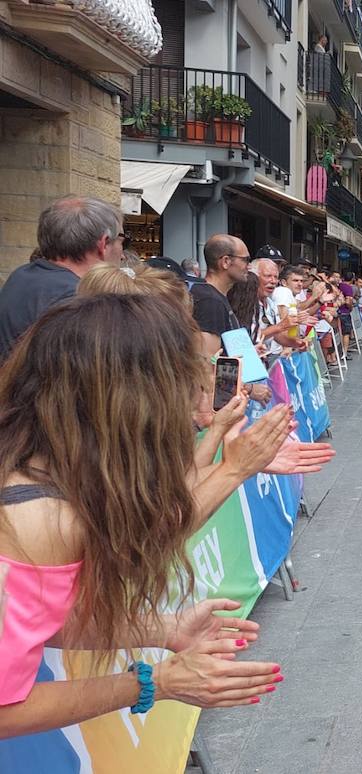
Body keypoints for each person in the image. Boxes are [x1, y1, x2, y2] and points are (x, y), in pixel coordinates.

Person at [0, 294, 292, 738]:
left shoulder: (45, 468)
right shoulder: (35, 519)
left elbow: (47, 619)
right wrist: (156, 682)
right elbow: (6, 709)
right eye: (186, 385)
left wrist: (164, 628)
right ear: (136, 402)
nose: (194, 406)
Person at [0, 196, 123, 360]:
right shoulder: (77, 299)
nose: (122, 255)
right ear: (103, 244)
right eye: (122, 241)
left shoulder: (22, 275)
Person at [192, 234, 249, 358]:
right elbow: (208, 362)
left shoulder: (212, 296)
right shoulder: (210, 301)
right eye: (245, 260)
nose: (248, 266)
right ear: (225, 262)